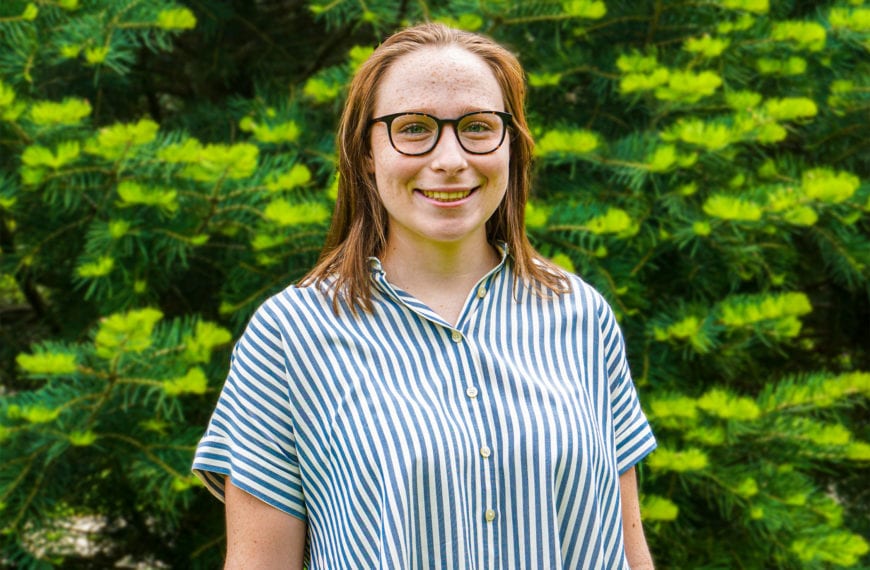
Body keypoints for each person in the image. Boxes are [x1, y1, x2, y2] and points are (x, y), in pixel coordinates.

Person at [192, 22, 657, 570]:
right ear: (366, 151)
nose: (450, 159)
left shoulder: (581, 316)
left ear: (511, 144)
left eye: (478, 127)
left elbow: (627, 552)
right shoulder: (289, 336)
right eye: (414, 128)